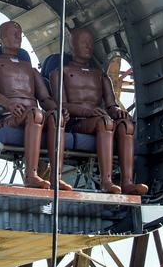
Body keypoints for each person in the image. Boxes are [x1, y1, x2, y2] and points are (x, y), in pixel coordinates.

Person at [52, 27, 148, 196]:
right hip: (77, 122)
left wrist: (118, 111)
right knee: (105, 122)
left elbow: (111, 105)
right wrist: (87, 112)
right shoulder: (61, 72)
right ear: (72, 45)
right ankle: (106, 181)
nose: (88, 46)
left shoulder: (100, 75)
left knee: (126, 125)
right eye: (83, 42)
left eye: (91, 43)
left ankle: (127, 182)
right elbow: (62, 105)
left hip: (99, 119)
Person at [0, 20, 71, 190]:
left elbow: (45, 99)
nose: (18, 37)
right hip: (6, 118)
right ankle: (30, 175)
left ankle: (55, 176)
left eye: (19, 34)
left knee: (54, 117)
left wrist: (58, 110)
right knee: (35, 114)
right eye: (13, 34)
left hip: (33, 116)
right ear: (0, 38)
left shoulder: (31, 70)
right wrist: (8, 104)